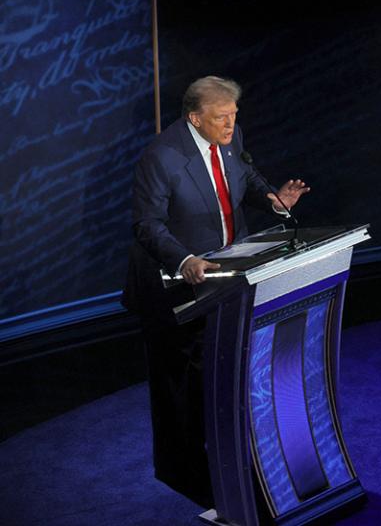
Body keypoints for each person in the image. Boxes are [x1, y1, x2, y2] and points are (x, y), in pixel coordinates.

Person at [122, 76, 309, 506]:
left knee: (222, 373)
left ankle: (228, 457)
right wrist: (185, 260)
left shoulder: (230, 135)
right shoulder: (161, 157)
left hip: (226, 277)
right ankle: (180, 472)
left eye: (234, 116)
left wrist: (273, 198)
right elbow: (146, 224)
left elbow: (244, 170)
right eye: (221, 118)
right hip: (173, 288)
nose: (230, 125)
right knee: (179, 387)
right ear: (194, 118)